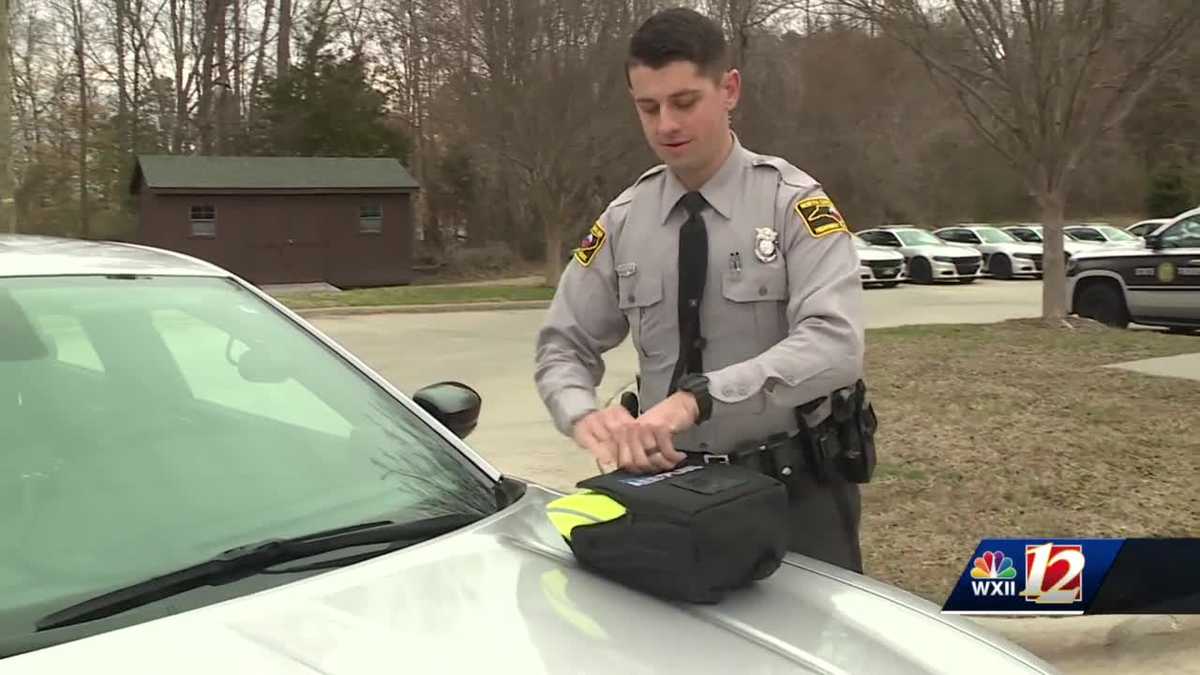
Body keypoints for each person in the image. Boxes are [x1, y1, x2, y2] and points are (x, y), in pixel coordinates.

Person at [533, 7, 870, 572]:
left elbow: (836, 346)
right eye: (648, 107)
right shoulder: (622, 222)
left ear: (729, 88)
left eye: (684, 102)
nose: (666, 125)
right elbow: (561, 347)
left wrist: (698, 399)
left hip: (794, 493)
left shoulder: (792, 204)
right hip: (672, 493)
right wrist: (584, 416)